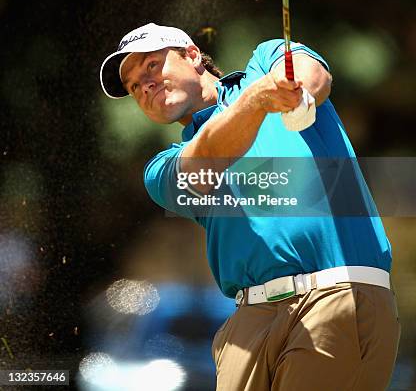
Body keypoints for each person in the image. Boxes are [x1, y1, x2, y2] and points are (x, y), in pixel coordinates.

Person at [100, 22, 400, 391]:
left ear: (193, 55)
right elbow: (205, 161)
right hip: (248, 319)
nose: (144, 84)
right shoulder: (161, 170)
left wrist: (298, 94)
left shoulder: (264, 62)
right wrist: (258, 100)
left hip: (335, 294)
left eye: (151, 66)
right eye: (133, 86)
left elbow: (313, 73)